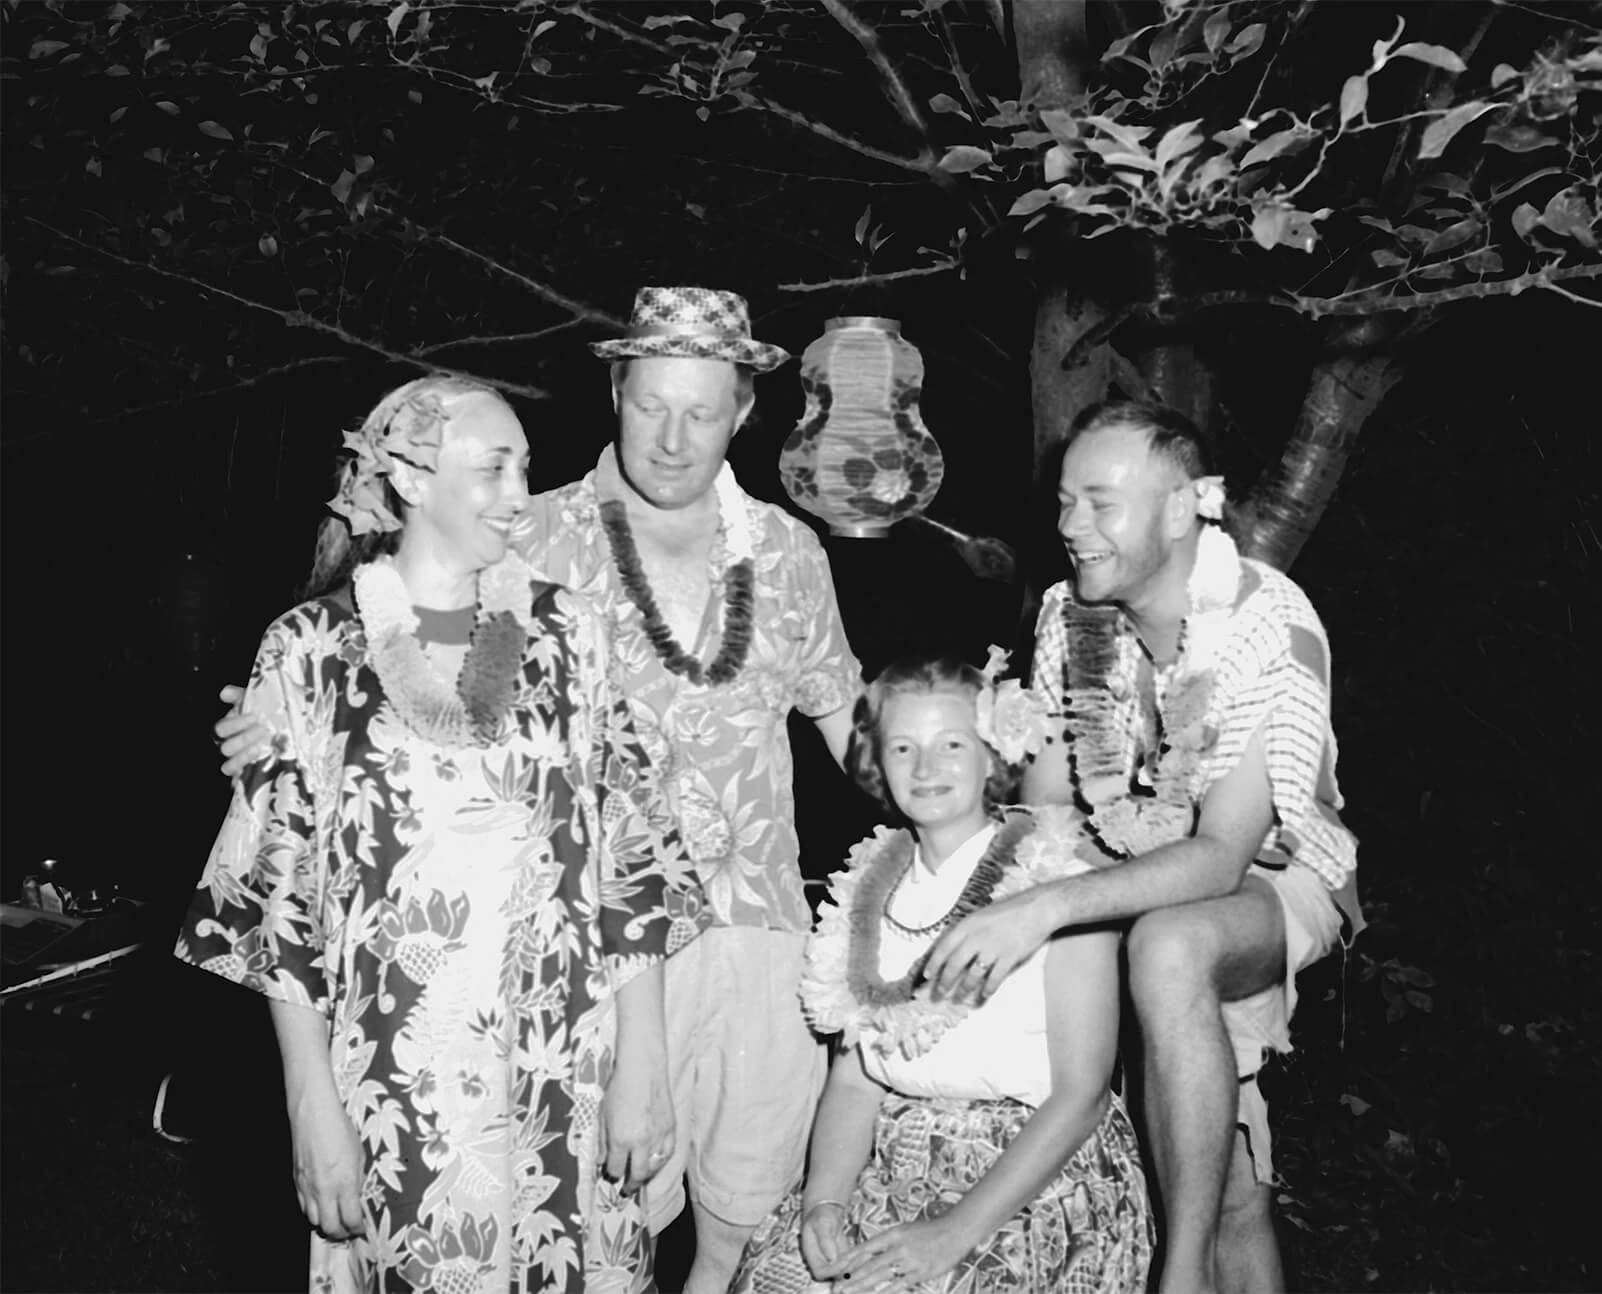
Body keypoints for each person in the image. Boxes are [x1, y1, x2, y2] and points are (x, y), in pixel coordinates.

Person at [215, 288, 865, 1294]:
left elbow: (846, 729)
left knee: (747, 1234)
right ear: (615, 391)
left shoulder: (773, 558)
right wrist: (275, 724)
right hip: (488, 1007)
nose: (675, 436)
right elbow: (386, 649)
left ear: (744, 413)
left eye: (703, 409)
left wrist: (966, 753)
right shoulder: (532, 541)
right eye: (651, 403)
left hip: (729, 939)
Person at [179, 376, 704, 1293]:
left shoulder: (567, 635)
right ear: (411, 480)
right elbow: (278, 899)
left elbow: (633, 856)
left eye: (526, 469)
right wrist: (311, 1106)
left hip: (567, 1071)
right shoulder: (307, 651)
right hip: (393, 1084)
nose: (519, 494)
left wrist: (645, 1065)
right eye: (494, 468)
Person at [922, 400, 1364, 1294]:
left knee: (1171, 947)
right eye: (1063, 501)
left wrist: (1044, 907)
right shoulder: (1069, 617)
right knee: (1233, 1188)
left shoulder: (1265, 625)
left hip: (1277, 887)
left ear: (1180, 509)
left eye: (1099, 502)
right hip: (1116, 878)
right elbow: (1050, 815)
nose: (1069, 526)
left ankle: (1182, 1274)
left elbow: (1219, 860)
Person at [733, 651, 1154, 1294]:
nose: (925, 769)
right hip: (893, 1162)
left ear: (995, 753)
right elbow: (855, 1082)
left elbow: (1082, 1096)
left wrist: (952, 1236)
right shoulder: (865, 887)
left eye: (951, 744)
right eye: (903, 748)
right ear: (877, 760)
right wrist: (824, 1203)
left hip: (1035, 1180)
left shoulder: (1057, 881)